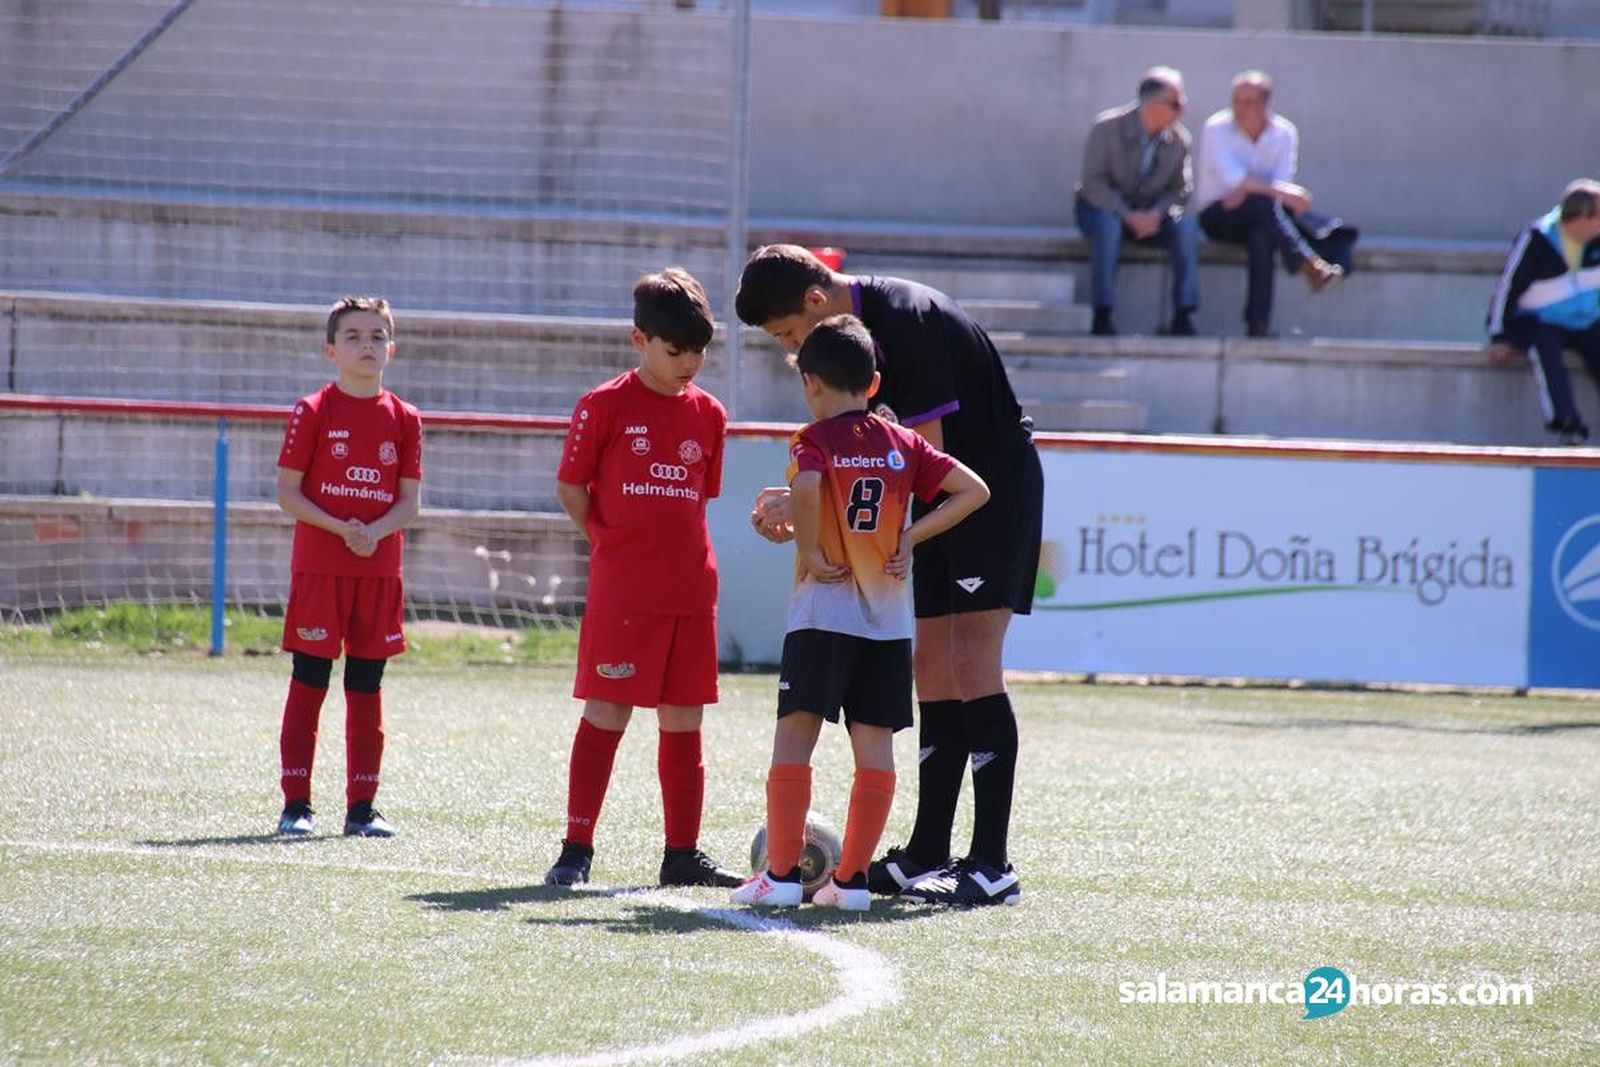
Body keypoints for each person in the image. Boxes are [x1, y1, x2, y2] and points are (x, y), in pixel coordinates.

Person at [736, 245, 1041, 907]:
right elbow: (875, 462)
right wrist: (807, 499)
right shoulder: (858, 337)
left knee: (970, 658)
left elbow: (923, 455)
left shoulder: (905, 319)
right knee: (931, 663)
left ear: (816, 302)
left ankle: (992, 861)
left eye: (790, 334)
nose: (795, 350)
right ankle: (927, 849)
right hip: (923, 510)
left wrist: (812, 501)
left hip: (985, 492)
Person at [543, 267, 742, 889]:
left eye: (699, 351)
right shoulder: (602, 406)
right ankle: (576, 849)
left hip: (690, 588)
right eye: (675, 350)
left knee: (684, 719)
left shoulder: (710, 415)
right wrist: (607, 542)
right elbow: (571, 489)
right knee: (607, 711)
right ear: (640, 341)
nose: (689, 363)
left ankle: (682, 853)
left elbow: (698, 500)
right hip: (624, 590)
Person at [274, 296, 422, 838]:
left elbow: (410, 502)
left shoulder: (405, 418)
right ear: (331, 351)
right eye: (355, 336)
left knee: (366, 686)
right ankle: (297, 805)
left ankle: (362, 809)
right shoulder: (312, 410)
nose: (368, 345)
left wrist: (375, 533)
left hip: (378, 571)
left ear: (392, 348)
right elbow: (287, 494)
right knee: (310, 680)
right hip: (320, 569)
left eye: (378, 336)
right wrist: (344, 529)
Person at [1193, 70, 1344, 339]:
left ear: (1265, 104)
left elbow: (1276, 183)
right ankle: (1308, 264)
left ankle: (1258, 324)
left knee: (1262, 232)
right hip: (1219, 214)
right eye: (1236, 101)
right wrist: (1265, 191)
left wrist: (1250, 190)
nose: (1240, 109)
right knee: (1262, 205)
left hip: (1262, 215)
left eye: (1248, 102)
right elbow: (1233, 178)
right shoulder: (1217, 128)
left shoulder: (1284, 133)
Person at [1074, 65, 1201, 337]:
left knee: (1186, 230)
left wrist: (1157, 213)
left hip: (1151, 216)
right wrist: (1126, 214)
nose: (1182, 111)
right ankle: (1103, 313)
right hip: (1104, 210)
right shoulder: (1107, 128)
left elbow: (1181, 189)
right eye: (1175, 104)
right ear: (1151, 104)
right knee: (1108, 228)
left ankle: (1184, 314)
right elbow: (1092, 183)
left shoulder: (1179, 140)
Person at [1487, 179, 1600, 445]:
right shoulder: (1537, 239)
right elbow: (1507, 287)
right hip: (1538, 320)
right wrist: (1498, 336)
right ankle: (1566, 423)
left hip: (1584, 321)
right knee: (1543, 345)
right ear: (1583, 218)